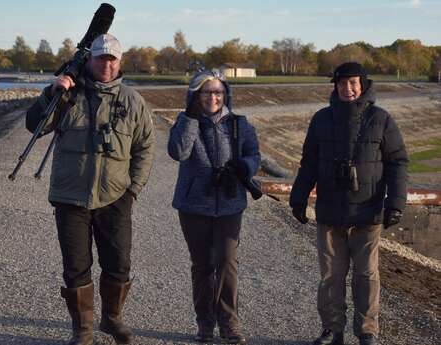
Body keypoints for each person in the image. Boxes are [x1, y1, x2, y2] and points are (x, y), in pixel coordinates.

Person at [25, 33, 155, 345]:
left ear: (120, 62)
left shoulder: (133, 102)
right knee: (75, 266)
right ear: (91, 59)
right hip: (70, 198)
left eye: (112, 59)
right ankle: (82, 330)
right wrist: (52, 92)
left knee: (119, 263)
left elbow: (145, 149)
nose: (106, 65)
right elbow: (36, 126)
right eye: (101, 58)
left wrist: (133, 190)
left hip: (115, 198)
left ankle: (112, 318)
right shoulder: (68, 94)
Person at [289, 62, 408, 345]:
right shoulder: (321, 119)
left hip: (368, 212)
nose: (348, 88)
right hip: (330, 212)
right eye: (342, 83)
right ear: (335, 86)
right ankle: (333, 330)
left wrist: (396, 203)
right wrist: (298, 197)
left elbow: (398, 162)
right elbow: (308, 164)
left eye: (353, 83)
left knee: (366, 276)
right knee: (331, 276)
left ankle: (367, 330)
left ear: (363, 84)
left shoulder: (381, 119)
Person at [168, 70, 261, 344]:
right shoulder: (185, 121)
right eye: (207, 92)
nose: (213, 97)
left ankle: (230, 323)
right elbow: (179, 152)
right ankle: (205, 325)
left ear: (226, 95)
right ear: (196, 95)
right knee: (202, 265)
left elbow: (254, 154)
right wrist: (190, 118)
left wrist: (244, 167)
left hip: (230, 204)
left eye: (218, 92)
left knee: (227, 263)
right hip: (193, 205)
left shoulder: (239, 124)